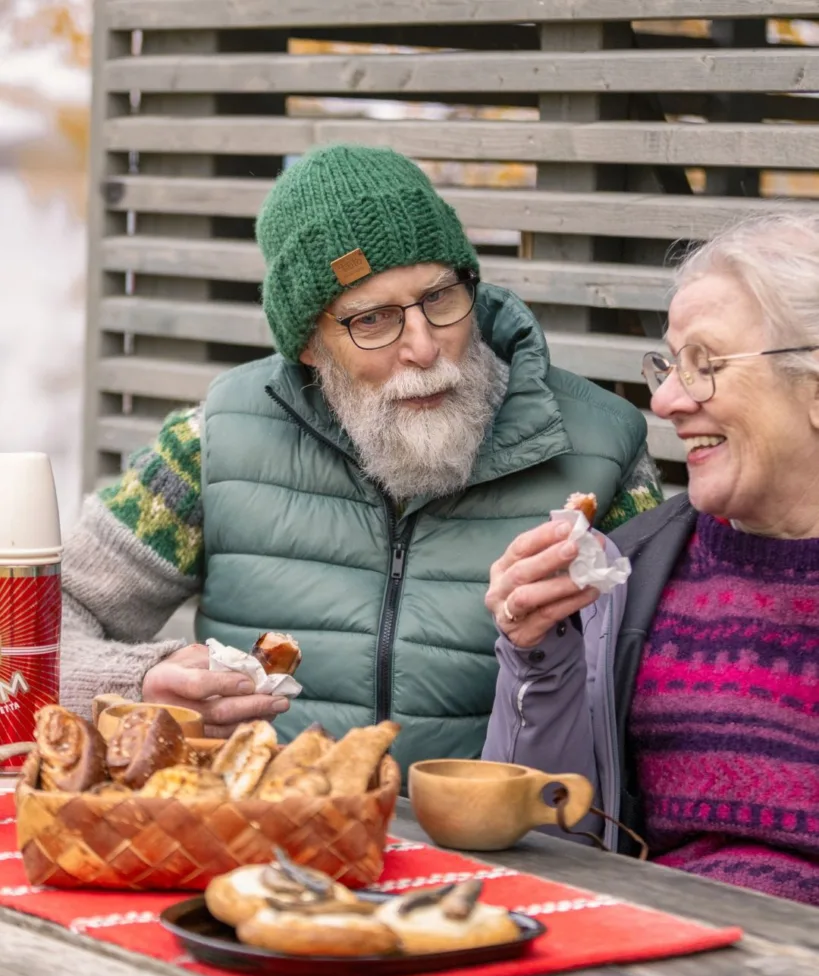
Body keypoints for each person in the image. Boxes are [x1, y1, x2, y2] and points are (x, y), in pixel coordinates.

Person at [60, 143, 661, 777]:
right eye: (372, 320)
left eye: (439, 299)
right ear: (311, 346)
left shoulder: (601, 448)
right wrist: (136, 683)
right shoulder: (212, 441)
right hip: (265, 842)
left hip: (509, 848)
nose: (424, 348)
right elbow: (26, 633)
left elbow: (663, 693)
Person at [483, 210, 819, 906]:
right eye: (667, 364)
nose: (664, 400)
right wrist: (536, 659)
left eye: (704, 365)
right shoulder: (631, 574)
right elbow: (547, 846)